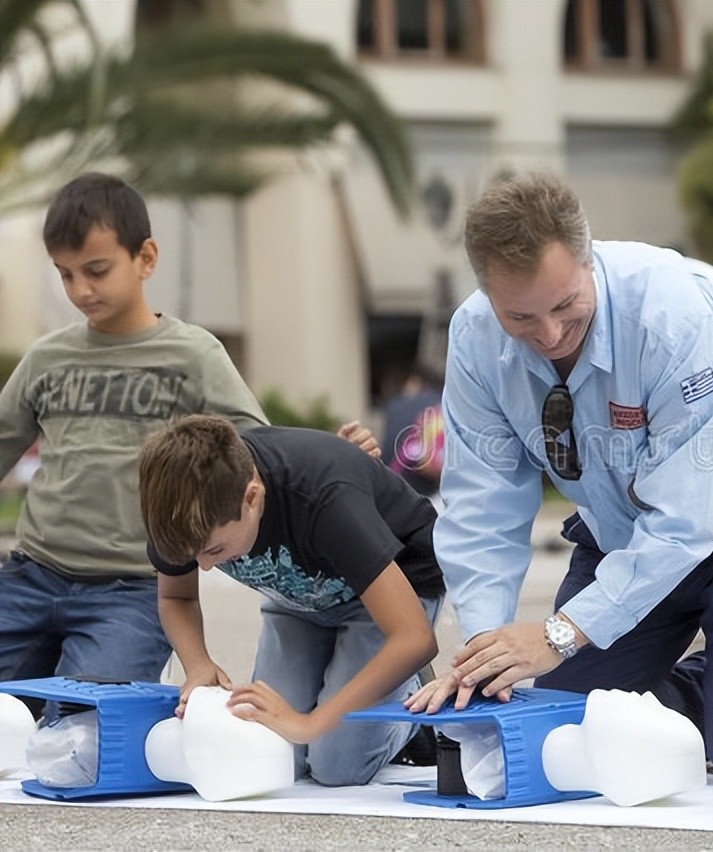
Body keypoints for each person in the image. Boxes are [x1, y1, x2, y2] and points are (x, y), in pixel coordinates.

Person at [406, 172, 713, 785]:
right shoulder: (474, 336)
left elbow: (681, 525)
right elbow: (482, 508)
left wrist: (559, 634)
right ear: (485, 293)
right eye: (521, 317)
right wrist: (487, 655)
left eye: (563, 306)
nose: (550, 336)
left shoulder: (672, 311)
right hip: (625, 540)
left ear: (589, 260)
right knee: (557, 736)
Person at [0, 173, 377, 721]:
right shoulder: (46, 358)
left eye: (96, 270)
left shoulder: (193, 354)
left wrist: (341, 458)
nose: (81, 289)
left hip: (130, 589)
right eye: (65, 274)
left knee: (82, 734)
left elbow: (258, 450)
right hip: (31, 575)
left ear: (145, 257)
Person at [139, 414, 443, 786]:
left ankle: (409, 707)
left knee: (336, 766)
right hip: (299, 597)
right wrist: (198, 664)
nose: (202, 567)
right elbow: (176, 595)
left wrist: (311, 722)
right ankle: (345, 698)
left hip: (390, 595)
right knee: (274, 750)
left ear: (252, 498)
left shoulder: (324, 498)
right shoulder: (177, 509)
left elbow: (413, 638)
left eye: (214, 550)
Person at [382, 366, 445, 498]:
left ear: (414, 381)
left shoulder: (395, 406)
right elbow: (431, 465)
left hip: (395, 490)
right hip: (429, 495)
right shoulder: (441, 406)